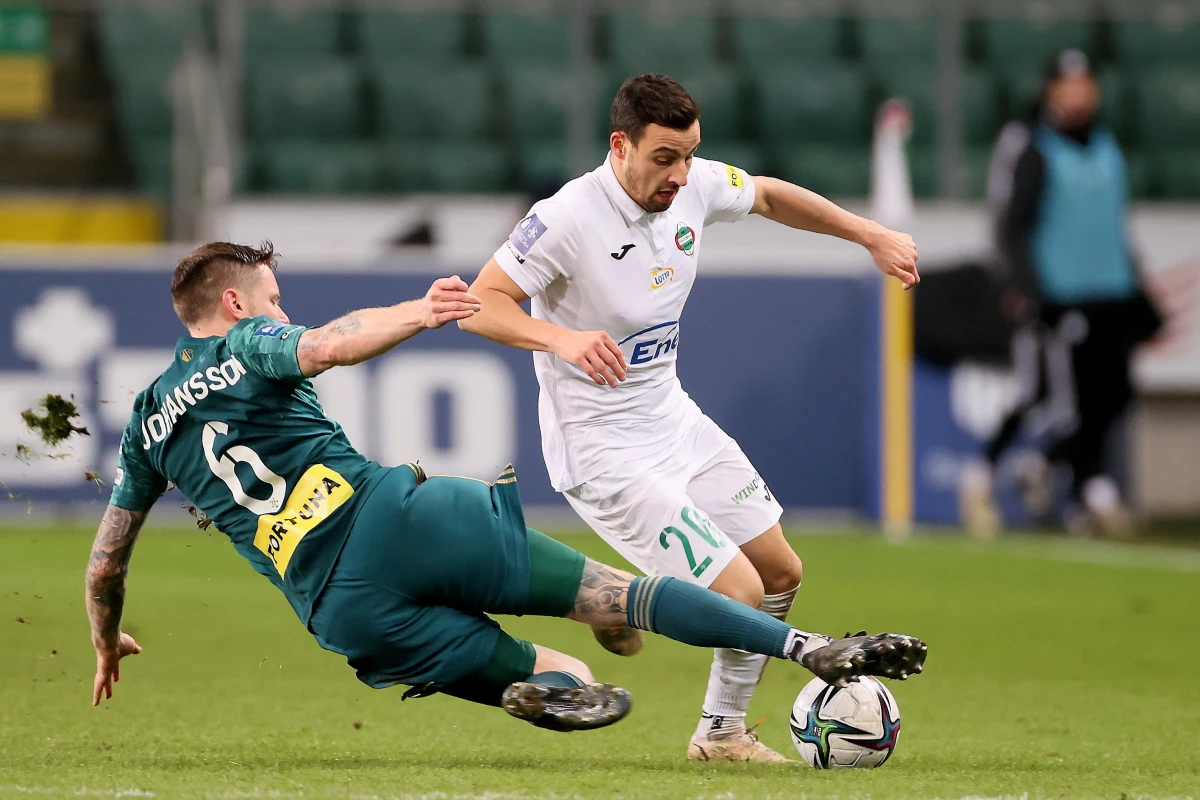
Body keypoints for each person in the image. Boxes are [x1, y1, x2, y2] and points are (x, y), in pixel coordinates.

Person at [86, 241, 928, 734]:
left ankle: (542, 686)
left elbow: (105, 564)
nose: (282, 310)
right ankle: (802, 648)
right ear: (233, 303)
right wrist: (421, 312)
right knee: (623, 595)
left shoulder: (149, 418)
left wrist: (105, 637)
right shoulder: (250, 345)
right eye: (273, 299)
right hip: (399, 520)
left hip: (339, 607)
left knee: (564, 676)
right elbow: (329, 345)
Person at [458, 74, 921, 761]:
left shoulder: (696, 183)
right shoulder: (567, 218)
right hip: (603, 450)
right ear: (622, 146)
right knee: (739, 590)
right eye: (664, 158)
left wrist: (867, 233)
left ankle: (721, 734)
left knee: (781, 571)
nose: (680, 174)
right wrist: (563, 338)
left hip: (673, 421)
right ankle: (613, 607)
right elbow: (480, 302)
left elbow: (765, 193)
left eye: (690, 154)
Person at [959, 50, 1162, 536]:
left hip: (1110, 290)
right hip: (1059, 293)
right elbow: (1012, 224)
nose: (1079, 93)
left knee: (1111, 396)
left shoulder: (1107, 145)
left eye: (1085, 83)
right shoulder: (1032, 145)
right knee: (1050, 395)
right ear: (1050, 89)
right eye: (1068, 84)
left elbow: (1110, 225)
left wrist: (1137, 286)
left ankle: (1059, 475)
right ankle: (990, 477)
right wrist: (1024, 288)